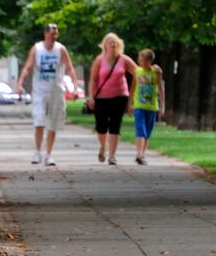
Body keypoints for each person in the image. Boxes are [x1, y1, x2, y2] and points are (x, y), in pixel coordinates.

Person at [16, 23, 79, 166]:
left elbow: (70, 68)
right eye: (52, 33)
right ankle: (37, 152)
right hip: (40, 91)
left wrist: (75, 87)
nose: (54, 36)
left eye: (56, 33)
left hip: (56, 92)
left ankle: (49, 155)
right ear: (45, 34)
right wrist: (20, 84)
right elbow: (27, 67)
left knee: (53, 124)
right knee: (39, 121)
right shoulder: (37, 49)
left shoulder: (61, 49)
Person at [87, 32, 139, 165]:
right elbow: (93, 80)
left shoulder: (123, 59)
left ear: (118, 45)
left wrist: (150, 72)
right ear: (105, 45)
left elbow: (138, 72)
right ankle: (102, 146)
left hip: (120, 97)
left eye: (115, 42)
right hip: (102, 98)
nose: (112, 44)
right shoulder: (99, 60)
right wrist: (91, 97)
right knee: (101, 127)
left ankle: (112, 156)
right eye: (110, 42)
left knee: (115, 126)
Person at [131, 48, 165, 166]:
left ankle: (142, 154)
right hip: (139, 106)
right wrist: (130, 102)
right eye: (140, 59)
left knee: (148, 132)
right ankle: (139, 155)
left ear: (149, 60)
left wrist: (162, 106)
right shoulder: (137, 71)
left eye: (142, 59)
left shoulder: (156, 72)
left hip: (152, 107)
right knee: (141, 130)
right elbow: (133, 87)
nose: (140, 61)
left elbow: (160, 89)